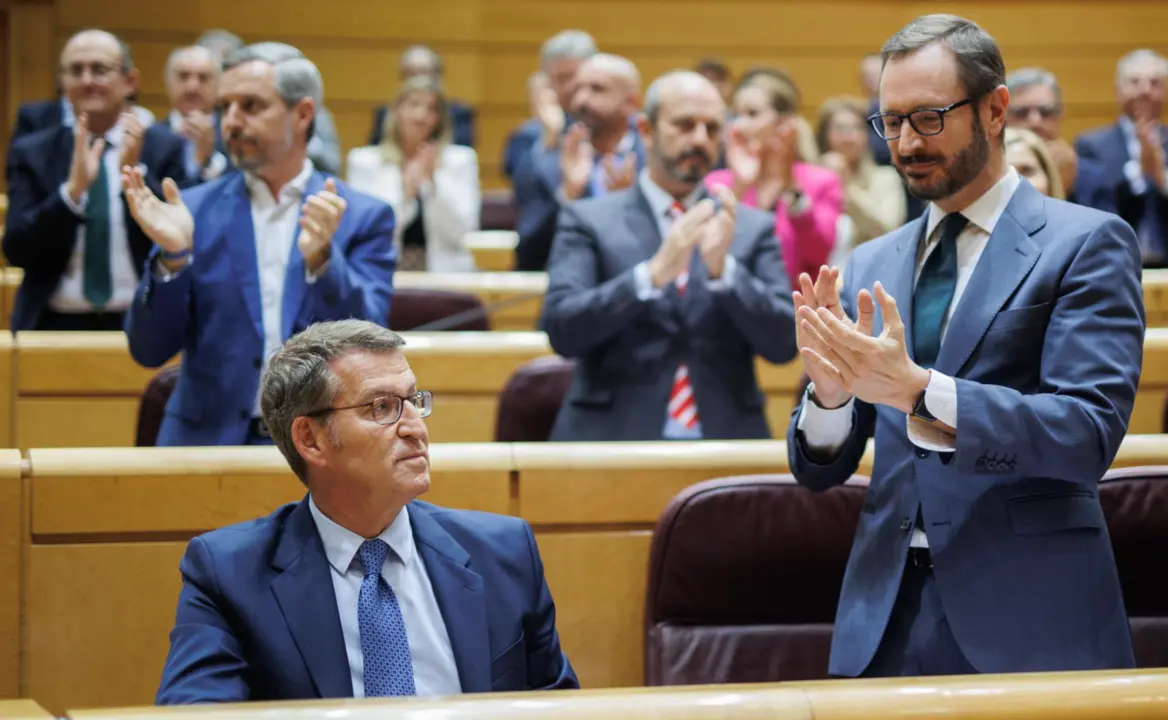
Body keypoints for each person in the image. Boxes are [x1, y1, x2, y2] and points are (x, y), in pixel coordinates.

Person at [788, 14, 1142, 678]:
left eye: (928, 118)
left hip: (1030, 611)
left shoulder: (1086, 242)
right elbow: (822, 470)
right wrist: (831, 400)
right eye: (889, 122)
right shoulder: (870, 260)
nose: (905, 143)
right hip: (883, 616)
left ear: (996, 109)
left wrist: (921, 393)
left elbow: (1088, 434)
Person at [155, 319, 579, 702]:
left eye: (413, 400)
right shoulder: (230, 576)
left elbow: (560, 710)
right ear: (310, 439)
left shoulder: (504, 554)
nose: (415, 427)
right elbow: (195, 712)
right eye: (382, 407)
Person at [122, 43, 397, 446]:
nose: (230, 122)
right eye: (225, 107)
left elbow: (369, 346)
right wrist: (173, 259)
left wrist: (323, 260)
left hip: (326, 447)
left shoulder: (361, 214)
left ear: (303, 114)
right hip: (206, 443)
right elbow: (148, 350)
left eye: (251, 106)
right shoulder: (191, 210)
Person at [541, 71, 796, 441]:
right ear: (645, 129)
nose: (700, 139)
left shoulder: (750, 227)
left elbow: (783, 344)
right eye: (685, 125)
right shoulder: (588, 219)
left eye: (711, 128)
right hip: (611, 439)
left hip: (726, 440)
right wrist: (651, 276)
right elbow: (562, 331)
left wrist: (723, 272)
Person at [3, 29, 188, 331]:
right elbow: (17, 250)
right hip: (52, 324)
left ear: (131, 81)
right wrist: (70, 194)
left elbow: (181, 240)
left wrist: (136, 172)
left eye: (99, 70)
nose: (87, 80)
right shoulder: (34, 152)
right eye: (76, 70)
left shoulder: (164, 148)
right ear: (63, 82)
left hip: (144, 322)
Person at [347, 76, 480, 272]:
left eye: (431, 108)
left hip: (446, 276)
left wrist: (434, 183)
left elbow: (462, 232)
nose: (421, 115)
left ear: (439, 118)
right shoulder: (365, 162)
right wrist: (406, 195)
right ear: (397, 111)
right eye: (413, 105)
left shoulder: (460, 160)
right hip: (384, 274)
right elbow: (368, 230)